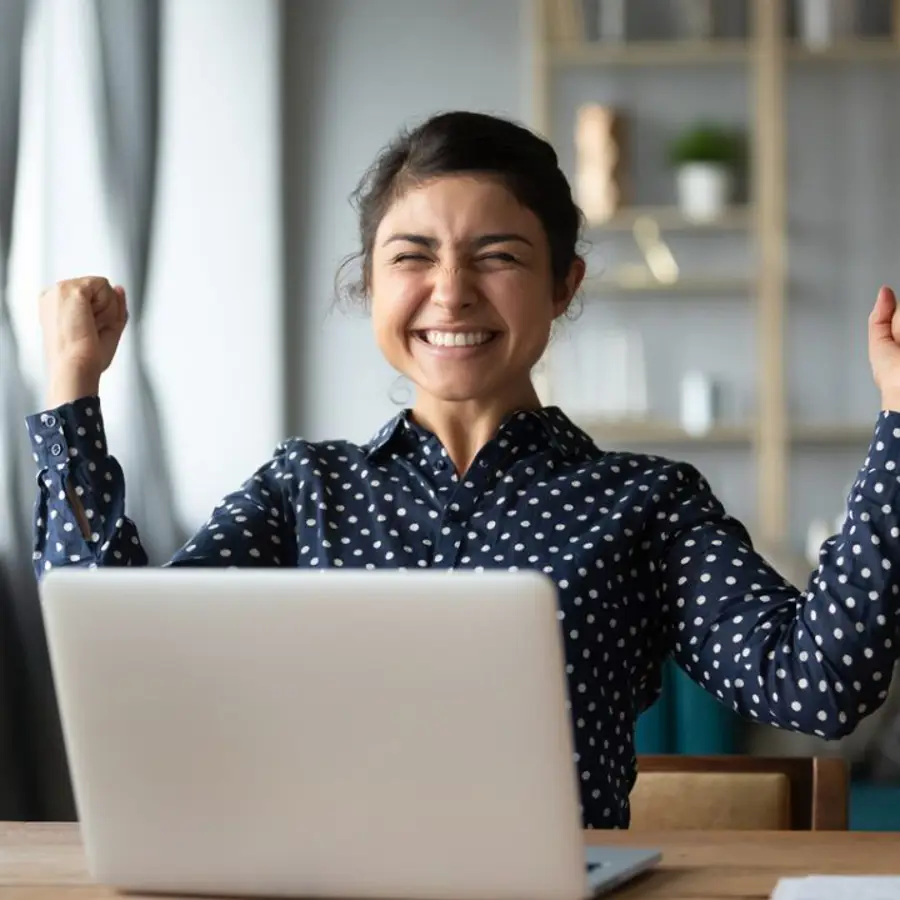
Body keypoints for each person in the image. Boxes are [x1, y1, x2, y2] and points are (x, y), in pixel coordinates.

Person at [27, 110, 900, 828]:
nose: (451, 292)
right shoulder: (303, 489)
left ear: (564, 285)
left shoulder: (647, 502)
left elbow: (819, 685)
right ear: (370, 284)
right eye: (412, 255)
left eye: (499, 255)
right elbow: (129, 666)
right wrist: (72, 393)